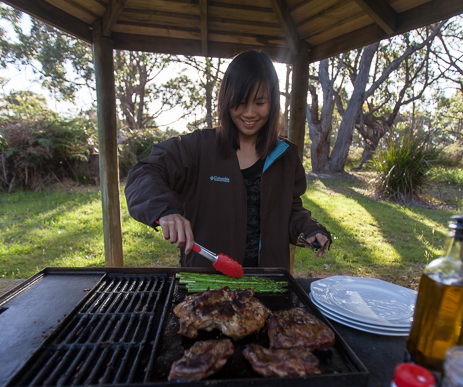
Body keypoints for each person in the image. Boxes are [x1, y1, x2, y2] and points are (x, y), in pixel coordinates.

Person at [124, 50, 331, 270]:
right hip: (207, 284)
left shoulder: (286, 155)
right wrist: (165, 210)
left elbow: (287, 210)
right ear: (226, 100)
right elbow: (143, 173)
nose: (250, 113)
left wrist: (309, 228)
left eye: (260, 103)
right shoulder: (198, 148)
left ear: (272, 103)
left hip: (267, 282)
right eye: (240, 103)